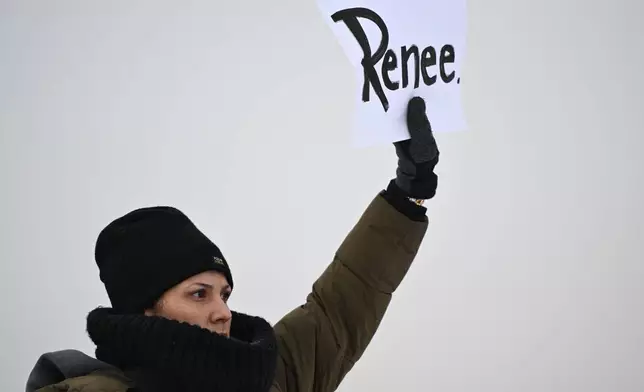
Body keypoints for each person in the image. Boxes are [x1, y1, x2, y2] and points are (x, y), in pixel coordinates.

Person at [25, 96, 440, 392]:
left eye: (223, 293)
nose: (222, 312)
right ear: (146, 309)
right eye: (198, 294)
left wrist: (407, 194)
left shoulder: (267, 374)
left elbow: (344, 305)